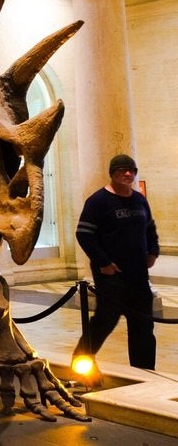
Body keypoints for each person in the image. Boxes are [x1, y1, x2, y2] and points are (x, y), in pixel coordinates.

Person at [73, 154, 160, 371]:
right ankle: (80, 363)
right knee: (104, 323)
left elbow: (150, 228)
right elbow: (84, 234)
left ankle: (144, 372)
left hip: (138, 276)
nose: (127, 174)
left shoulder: (139, 200)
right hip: (112, 278)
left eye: (131, 170)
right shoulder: (98, 201)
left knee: (143, 326)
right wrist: (103, 263)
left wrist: (153, 251)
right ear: (112, 173)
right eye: (122, 170)